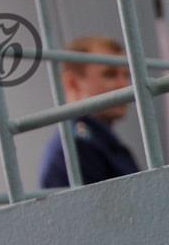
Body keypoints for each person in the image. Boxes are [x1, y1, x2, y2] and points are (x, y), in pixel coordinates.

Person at [39, 36, 140, 188]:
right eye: (110, 74)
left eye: (127, 75)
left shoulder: (95, 140)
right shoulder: (78, 146)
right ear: (72, 83)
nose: (124, 85)